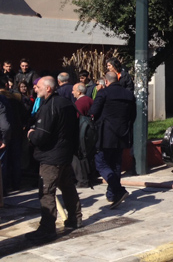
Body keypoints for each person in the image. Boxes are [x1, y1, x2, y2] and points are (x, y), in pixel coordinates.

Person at [26, 76, 82, 242]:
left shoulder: (50, 106)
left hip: (51, 156)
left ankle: (47, 228)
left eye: (39, 87)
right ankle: (75, 218)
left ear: (48, 88)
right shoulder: (66, 103)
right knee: (67, 187)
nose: (36, 89)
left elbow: (42, 135)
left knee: (46, 191)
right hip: (65, 154)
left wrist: (31, 135)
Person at [89, 71, 135, 209]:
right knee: (115, 164)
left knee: (101, 164)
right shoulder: (129, 94)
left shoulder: (104, 93)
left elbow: (93, 111)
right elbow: (133, 115)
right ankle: (113, 194)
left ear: (106, 81)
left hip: (105, 134)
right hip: (122, 134)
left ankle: (118, 190)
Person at [71, 83, 94, 188]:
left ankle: (82, 180)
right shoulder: (90, 100)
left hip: (81, 132)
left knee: (79, 156)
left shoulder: (79, 103)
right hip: (90, 132)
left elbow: (75, 118)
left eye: (73, 90)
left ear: (79, 92)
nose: (72, 92)